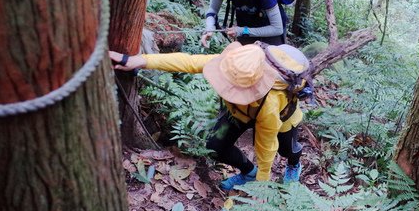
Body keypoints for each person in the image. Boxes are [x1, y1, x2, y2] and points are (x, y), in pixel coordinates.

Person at [110, 42, 306, 189]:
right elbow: (189, 61)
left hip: (282, 115)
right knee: (216, 147)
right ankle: (248, 173)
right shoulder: (232, 64)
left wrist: (261, 192)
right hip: (238, 112)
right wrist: (139, 60)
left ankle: (294, 165)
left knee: (286, 149)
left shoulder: (270, 104)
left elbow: (266, 150)